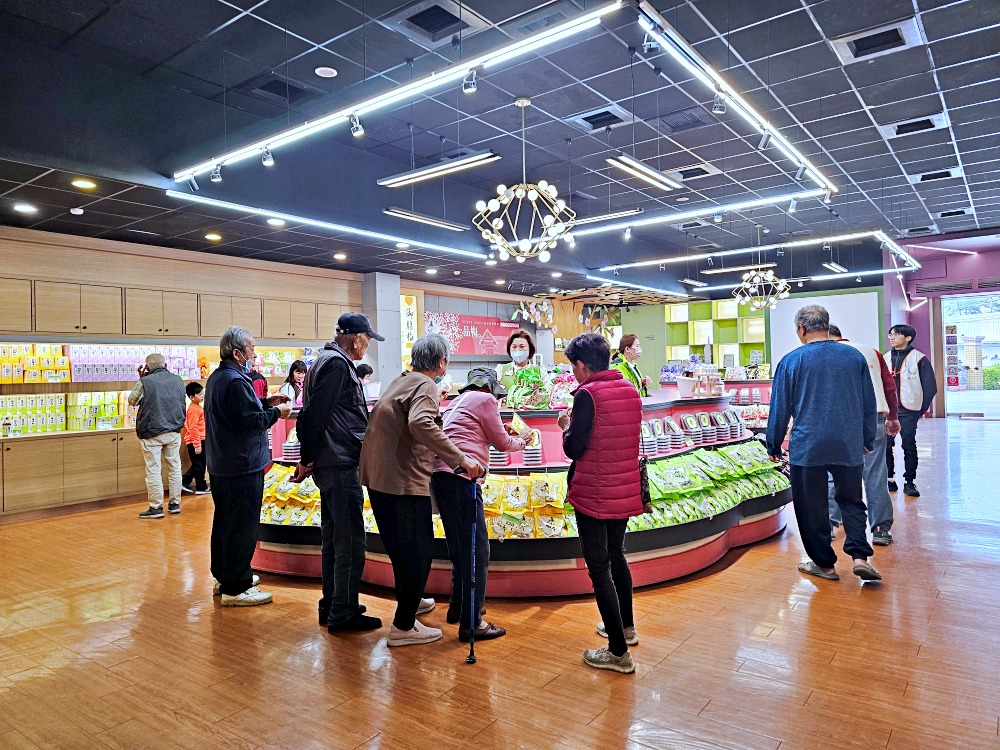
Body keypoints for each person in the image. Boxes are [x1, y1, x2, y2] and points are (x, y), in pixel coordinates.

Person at [359, 334, 485, 647]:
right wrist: (461, 458)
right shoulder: (426, 386)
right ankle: (403, 626)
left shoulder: (401, 380)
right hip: (402, 481)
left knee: (402, 550)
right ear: (442, 362)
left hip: (378, 477)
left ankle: (410, 604)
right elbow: (420, 424)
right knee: (419, 551)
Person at [766, 305, 881, 583]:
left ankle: (825, 565)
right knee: (852, 501)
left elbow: (779, 408)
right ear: (827, 326)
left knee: (810, 507)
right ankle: (859, 557)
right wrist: (866, 438)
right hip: (847, 443)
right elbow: (869, 403)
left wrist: (773, 445)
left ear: (801, 330)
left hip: (808, 447)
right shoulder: (853, 357)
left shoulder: (791, 361)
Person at [557, 333, 643, 674]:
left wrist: (566, 427)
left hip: (594, 491)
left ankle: (618, 653)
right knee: (616, 555)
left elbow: (574, 448)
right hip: (623, 487)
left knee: (598, 568)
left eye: (573, 367)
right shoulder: (629, 389)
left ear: (581, 365)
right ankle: (626, 627)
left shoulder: (588, 394)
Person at [293, 314, 384, 633]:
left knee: (333, 537)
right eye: (367, 339)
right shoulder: (336, 364)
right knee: (349, 540)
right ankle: (343, 611)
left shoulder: (323, 360)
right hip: (339, 461)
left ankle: (332, 603)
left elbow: (310, 413)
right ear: (356, 338)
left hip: (330, 460)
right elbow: (316, 414)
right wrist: (308, 456)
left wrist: (309, 457)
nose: (368, 345)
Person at [432, 367, 528, 642]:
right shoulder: (486, 400)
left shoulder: (457, 402)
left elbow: (474, 431)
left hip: (442, 476)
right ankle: (473, 622)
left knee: (460, 548)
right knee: (478, 551)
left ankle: (458, 609)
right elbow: (502, 443)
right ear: (491, 388)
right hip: (464, 478)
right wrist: (524, 441)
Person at [205, 326, 292, 606]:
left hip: (223, 463)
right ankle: (237, 587)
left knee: (225, 522)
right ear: (237, 352)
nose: (254, 354)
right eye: (251, 349)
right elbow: (250, 421)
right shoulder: (235, 381)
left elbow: (239, 411)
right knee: (242, 524)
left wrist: (266, 402)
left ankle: (226, 575)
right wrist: (276, 413)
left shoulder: (220, 378)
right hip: (241, 465)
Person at [826, 325, 900, 545]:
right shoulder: (871, 351)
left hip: (837, 421)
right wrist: (893, 416)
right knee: (876, 473)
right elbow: (889, 387)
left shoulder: (824, 353)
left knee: (833, 473)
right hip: (874, 417)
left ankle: (829, 523)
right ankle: (880, 529)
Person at [130, 353, 187, 519]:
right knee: (175, 467)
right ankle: (175, 504)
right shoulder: (178, 380)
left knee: (153, 469)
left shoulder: (144, 382)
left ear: (146, 367)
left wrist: (141, 379)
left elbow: (132, 401)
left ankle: (156, 507)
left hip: (151, 431)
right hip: (174, 429)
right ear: (166, 364)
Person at [885, 324, 937, 497]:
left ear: (907, 338)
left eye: (896, 334)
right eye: (890, 334)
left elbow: (930, 387)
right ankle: (889, 479)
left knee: (908, 444)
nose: (891, 337)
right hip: (888, 410)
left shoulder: (919, 358)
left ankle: (909, 482)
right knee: (886, 445)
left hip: (909, 411)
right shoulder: (884, 358)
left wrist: (919, 411)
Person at [181, 382, 210, 495]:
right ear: (192, 397)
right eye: (199, 394)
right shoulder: (193, 409)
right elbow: (193, 428)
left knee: (200, 464)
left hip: (200, 439)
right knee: (199, 464)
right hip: (196, 440)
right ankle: (199, 486)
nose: (202, 396)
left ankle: (191, 483)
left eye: (203, 393)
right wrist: (197, 444)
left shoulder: (197, 407)